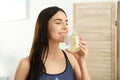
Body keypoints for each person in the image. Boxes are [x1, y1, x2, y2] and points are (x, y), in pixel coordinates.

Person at [14, 6, 91, 80]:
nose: (65, 27)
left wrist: (82, 61)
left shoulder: (71, 59)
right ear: (44, 27)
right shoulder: (26, 64)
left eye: (66, 23)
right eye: (58, 23)